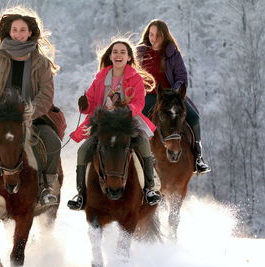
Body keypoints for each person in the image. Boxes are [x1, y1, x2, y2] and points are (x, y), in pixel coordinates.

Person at [0, 6, 61, 210]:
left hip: (32, 118)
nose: (18, 34)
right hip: (0, 118)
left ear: (30, 33)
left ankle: (47, 187)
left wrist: (30, 111)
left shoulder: (41, 62)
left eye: (22, 30)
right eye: (15, 29)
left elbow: (46, 93)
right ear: (9, 32)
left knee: (51, 141)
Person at [67, 39, 162, 210]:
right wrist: (85, 104)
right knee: (83, 151)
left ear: (129, 57)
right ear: (110, 56)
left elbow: (139, 103)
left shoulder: (135, 78)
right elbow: (91, 100)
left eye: (122, 52)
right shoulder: (101, 77)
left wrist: (125, 110)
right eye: (115, 52)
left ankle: (149, 189)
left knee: (143, 145)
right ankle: (81, 195)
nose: (118, 55)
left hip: (127, 122)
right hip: (103, 124)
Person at [136, 19, 211, 174]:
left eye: (158, 36)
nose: (154, 38)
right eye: (151, 34)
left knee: (194, 116)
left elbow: (182, 77)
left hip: (171, 95)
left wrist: (175, 91)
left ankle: (198, 156)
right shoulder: (139, 53)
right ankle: (137, 156)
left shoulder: (172, 53)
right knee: (138, 118)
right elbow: (133, 75)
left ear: (165, 36)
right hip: (149, 95)